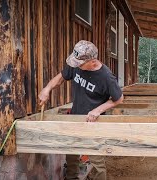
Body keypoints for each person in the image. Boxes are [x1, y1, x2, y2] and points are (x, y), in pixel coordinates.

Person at [38, 40, 124, 180]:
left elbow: (119, 99)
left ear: (92, 62)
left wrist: (98, 110)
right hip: (75, 117)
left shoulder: (106, 77)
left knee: (97, 161)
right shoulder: (76, 63)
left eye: (79, 64)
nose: (75, 65)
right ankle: (71, 177)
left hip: (94, 122)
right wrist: (47, 89)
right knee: (71, 153)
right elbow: (61, 77)